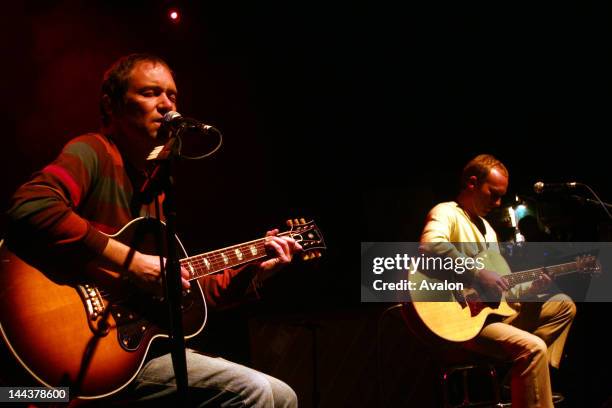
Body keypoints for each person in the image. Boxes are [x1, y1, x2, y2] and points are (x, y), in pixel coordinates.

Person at [4, 53, 301, 407]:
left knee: (283, 395)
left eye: (172, 96)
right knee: (255, 392)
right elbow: (30, 206)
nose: (165, 105)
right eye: (150, 93)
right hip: (78, 358)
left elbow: (186, 290)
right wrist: (131, 262)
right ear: (111, 106)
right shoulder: (94, 152)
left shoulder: (157, 186)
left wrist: (257, 271)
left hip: (131, 357)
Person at [419, 154, 576, 408]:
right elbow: (430, 245)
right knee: (534, 347)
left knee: (563, 305)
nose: (498, 201)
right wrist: (476, 273)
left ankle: (525, 379)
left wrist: (532, 288)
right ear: (472, 183)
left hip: (493, 315)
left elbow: (501, 283)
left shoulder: (488, 230)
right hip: (465, 322)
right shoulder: (446, 212)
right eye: (493, 193)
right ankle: (528, 379)